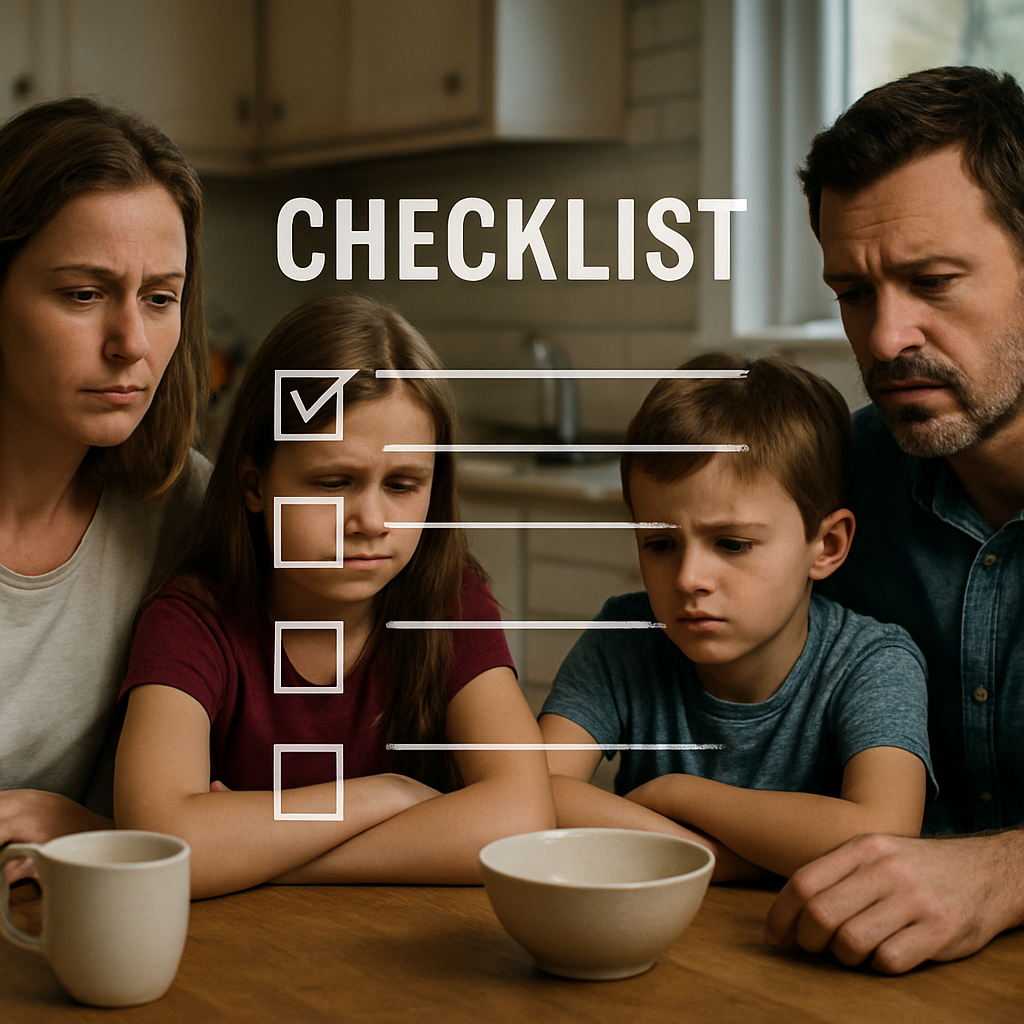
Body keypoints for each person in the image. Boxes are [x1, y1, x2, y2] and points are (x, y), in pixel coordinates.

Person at [113, 294, 555, 899]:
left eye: (403, 484)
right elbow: (162, 841)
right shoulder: (192, 622)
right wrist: (387, 794)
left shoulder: (448, 602)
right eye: (333, 482)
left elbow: (522, 819)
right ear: (254, 485)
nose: (371, 519)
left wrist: (254, 853)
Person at [764, 65, 1024, 974]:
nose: (882, 338)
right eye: (854, 292)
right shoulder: (835, 482)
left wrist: (1001, 872)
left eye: (933, 281)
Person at [538, 354, 933, 881]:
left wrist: (677, 793)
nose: (688, 578)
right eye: (659, 544)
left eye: (732, 543)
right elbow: (531, 792)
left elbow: (885, 833)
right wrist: (723, 862)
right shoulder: (627, 637)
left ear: (826, 545)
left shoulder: (873, 662)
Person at [0, 98, 209, 863]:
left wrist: (101, 839)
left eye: (160, 298)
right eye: (83, 295)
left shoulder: (188, 512)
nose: (131, 344)